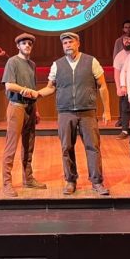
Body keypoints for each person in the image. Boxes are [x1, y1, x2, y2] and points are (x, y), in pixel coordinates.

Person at [37, 32, 111, 196]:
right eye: (65, 43)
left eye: (70, 42)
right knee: (66, 148)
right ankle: (70, 180)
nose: (68, 45)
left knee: (93, 147)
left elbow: (103, 86)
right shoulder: (57, 65)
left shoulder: (91, 61)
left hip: (87, 111)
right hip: (65, 111)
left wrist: (107, 110)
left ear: (78, 44)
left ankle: (97, 182)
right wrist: (37, 94)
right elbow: (50, 87)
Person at [1, 33, 47, 197]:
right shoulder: (12, 61)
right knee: (11, 146)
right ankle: (6, 183)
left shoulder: (32, 64)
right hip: (16, 106)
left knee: (29, 145)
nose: (27, 45)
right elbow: (8, 85)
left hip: (30, 107)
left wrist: (36, 109)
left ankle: (28, 178)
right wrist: (23, 90)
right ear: (18, 46)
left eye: (29, 43)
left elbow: (33, 88)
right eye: (24, 43)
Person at [113, 35, 130, 139]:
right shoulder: (119, 56)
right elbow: (116, 73)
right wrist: (118, 87)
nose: (127, 41)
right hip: (124, 87)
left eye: (129, 39)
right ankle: (125, 130)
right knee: (125, 109)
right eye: (125, 39)